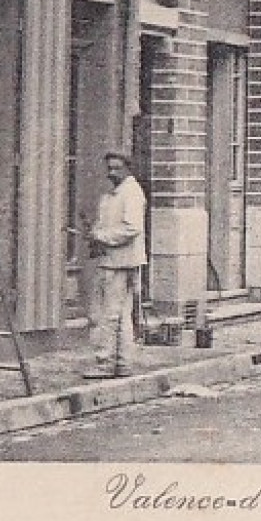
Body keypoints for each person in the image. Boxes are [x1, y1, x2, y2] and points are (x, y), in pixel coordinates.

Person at [84, 152, 148, 378]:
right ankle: (122, 363)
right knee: (120, 314)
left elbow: (131, 228)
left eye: (117, 168)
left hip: (120, 262)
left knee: (109, 314)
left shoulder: (130, 193)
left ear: (128, 169)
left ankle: (105, 362)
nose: (112, 173)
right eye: (109, 168)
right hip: (115, 260)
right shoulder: (113, 195)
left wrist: (101, 237)